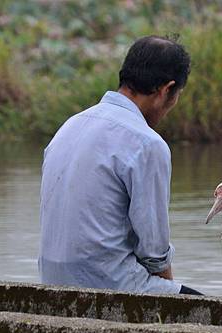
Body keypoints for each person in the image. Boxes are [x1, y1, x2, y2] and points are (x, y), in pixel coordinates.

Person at [39, 35, 202, 296]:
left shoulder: (68, 127)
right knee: (201, 307)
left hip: (51, 280)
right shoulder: (147, 144)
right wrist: (173, 295)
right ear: (165, 90)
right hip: (105, 283)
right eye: (177, 96)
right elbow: (154, 253)